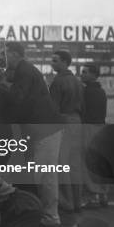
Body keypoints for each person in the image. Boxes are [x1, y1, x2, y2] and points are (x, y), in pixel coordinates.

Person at [4, 42, 63, 227]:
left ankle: (51, 218)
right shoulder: (25, 70)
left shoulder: (25, 70)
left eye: (5, 55)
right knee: (40, 175)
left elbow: (17, 99)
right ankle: (44, 215)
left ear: (14, 54)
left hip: (45, 130)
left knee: (45, 176)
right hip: (41, 129)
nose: (4, 60)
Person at [49, 50, 84, 213]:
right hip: (77, 121)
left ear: (64, 62)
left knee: (62, 163)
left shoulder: (58, 81)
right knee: (75, 163)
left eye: (55, 61)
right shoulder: (77, 81)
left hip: (63, 121)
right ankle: (78, 201)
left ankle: (67, 202)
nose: (52, 63)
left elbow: (53, 108)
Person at [80, 63, 109, 208]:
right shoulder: (101, 91)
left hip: (89, 127)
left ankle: (93, 196)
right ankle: (103, 194)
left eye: (85, 72)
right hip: (100, 127)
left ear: (93, 74)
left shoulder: (87, 91)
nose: (81, 74)